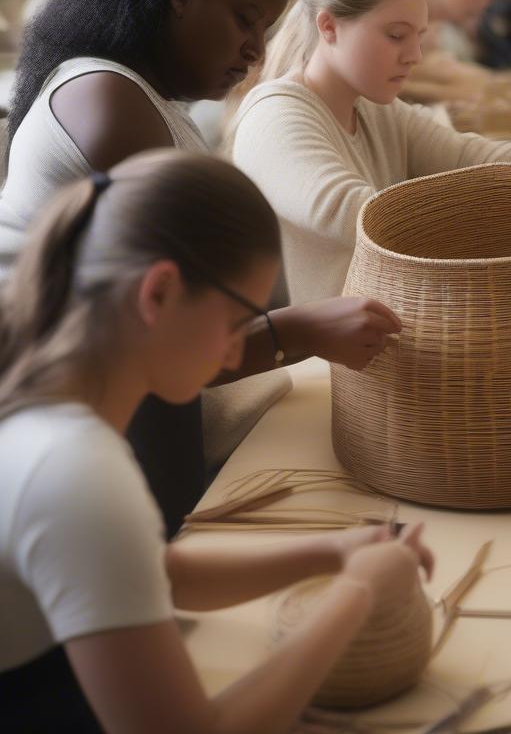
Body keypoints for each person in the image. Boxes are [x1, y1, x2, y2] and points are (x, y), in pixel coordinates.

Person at [0, 149, 435, 734]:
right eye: (236, 323)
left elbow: (156, 572)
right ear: (158, 293)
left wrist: (334, 555)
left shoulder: (46, 403)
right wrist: (356, 595)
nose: (236, 353)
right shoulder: (75, 467)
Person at [0, 0, 401, 532]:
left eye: (265, 31)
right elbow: (169, 328)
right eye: (244, 20)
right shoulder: (109, 103)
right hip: (65, 396)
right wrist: (299, 330)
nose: (254, 52)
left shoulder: (144, 99)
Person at [229, 0, 511, 306]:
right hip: (320, 356)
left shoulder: (374, 109)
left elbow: (469, 155)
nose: (414, 55)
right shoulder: (273, 116)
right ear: (329, 26)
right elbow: (353, 212)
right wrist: (499, 215)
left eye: (419, 37)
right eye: (396, 35)